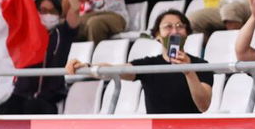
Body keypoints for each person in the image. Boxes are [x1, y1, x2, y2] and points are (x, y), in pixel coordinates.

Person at [67, 9, 213, 113]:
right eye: (168, 26)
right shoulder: (148, 65)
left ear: (187, 34)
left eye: (180, 26)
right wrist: (86, 66)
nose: (175, 31)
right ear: (157, 35)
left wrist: (189, 72)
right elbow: (113, 70)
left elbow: (204, 105)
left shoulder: (201, 65)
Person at [0, 0, 80, 114]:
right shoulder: (25, 33)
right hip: (20, 96)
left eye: (52, 11)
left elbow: (76, 8)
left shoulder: (63, 34)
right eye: (43, 11)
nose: (48, 15)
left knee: (31, 107)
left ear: (59, 15)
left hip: (48, 100)